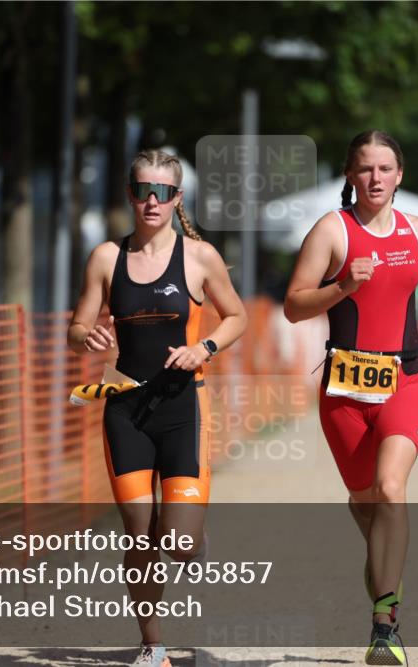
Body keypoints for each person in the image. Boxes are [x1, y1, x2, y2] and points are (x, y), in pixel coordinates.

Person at [283, 130, 418, 666]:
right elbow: (294, 306)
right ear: (350, 175)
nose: (376, 179)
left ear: (400, 175)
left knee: (391, 489)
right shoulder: (331, 232)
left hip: (407, 380)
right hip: (344, 391)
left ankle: (384, 628)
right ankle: (388, 576)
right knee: (368, 502)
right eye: (365, 169)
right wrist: (343, 285)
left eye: (385, 169)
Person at [67, 149, 247, 667]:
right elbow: (76, 328)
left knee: (180, 544)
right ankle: (153, 646)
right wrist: (90, 336)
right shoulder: (106, 258)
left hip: (182, 405)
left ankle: (191, 537)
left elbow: (235, 316)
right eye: (144, 191)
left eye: (163, 192)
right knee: (138, 533)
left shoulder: (199, 257)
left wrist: (204, 349)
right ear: (130, 195)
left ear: (177, 199)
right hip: (124, 408)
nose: (152, 201)